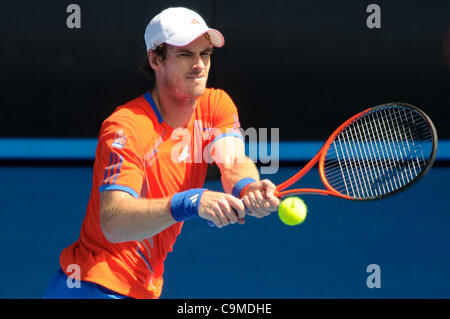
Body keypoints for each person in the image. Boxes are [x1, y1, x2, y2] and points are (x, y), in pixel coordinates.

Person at [44, 7, 280, 299]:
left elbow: (232, 161)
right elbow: (114, 222)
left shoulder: (216, 104)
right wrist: (188, 202)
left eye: (204, 54)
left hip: (142, 288)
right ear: (155, 59)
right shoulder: (126, 126)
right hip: (92, 286)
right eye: (185, 55)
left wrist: (248, 187)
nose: (199, 65)